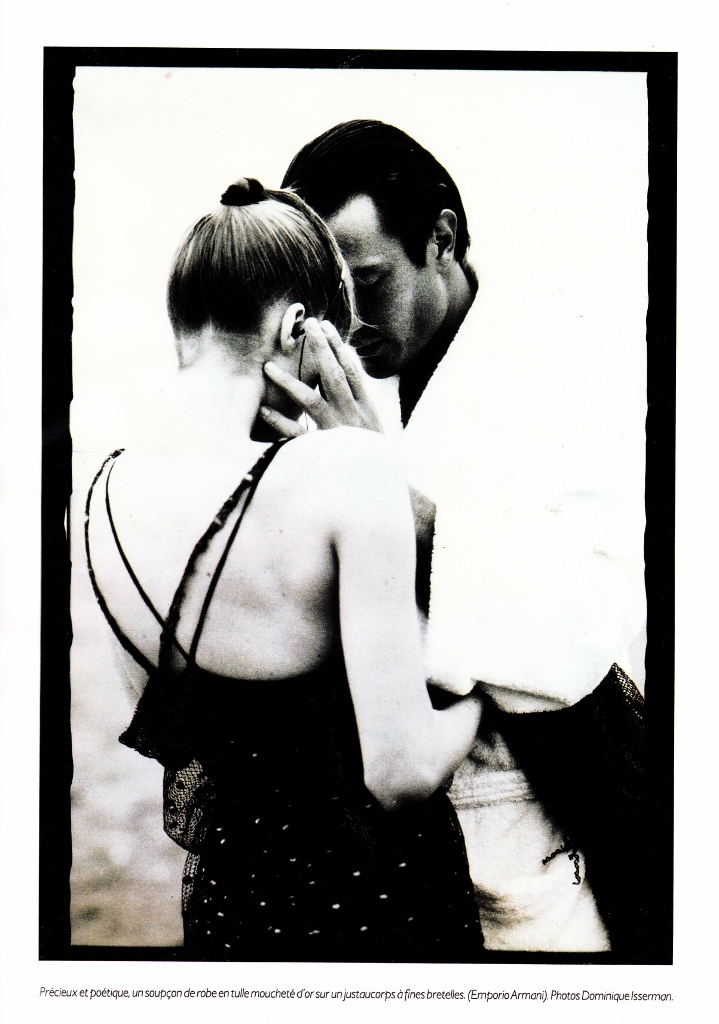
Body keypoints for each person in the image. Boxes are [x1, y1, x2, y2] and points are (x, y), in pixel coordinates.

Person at [259, 121, 648, 954]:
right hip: (419, 855)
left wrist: (384, 499)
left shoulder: (568, 373)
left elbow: (590, 636)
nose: (345, 323)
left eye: (366, 283)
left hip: (550, 855)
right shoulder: (368, 377)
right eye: (322, 299)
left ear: (440, 238)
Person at [84, 177, 484, 961]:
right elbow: (400, 772)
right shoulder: (347, 471)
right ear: (298, 325)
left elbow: (180, 722)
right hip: (376, 913)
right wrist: (480, 695)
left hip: (230, 913)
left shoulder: (99, 493)